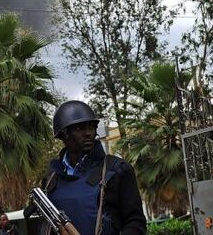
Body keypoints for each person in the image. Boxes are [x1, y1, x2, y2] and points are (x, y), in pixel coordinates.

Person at [40, 100, 146, 235]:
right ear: (63, 134)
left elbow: (135, 222)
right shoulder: (51, 178)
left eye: (91, 127)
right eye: (79, 128)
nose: (88, 133)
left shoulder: (117, 170)